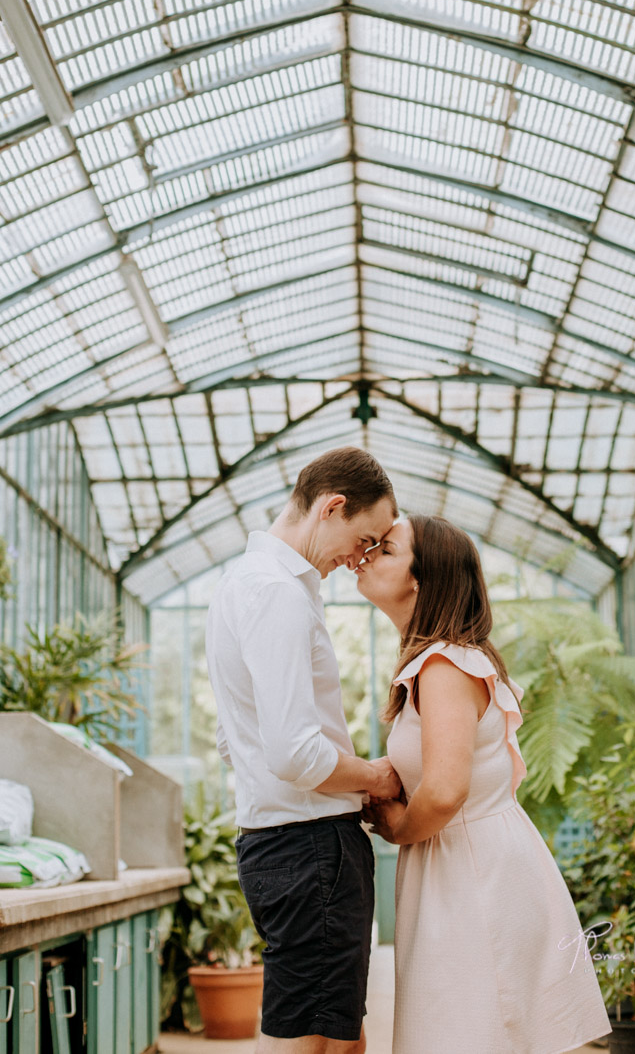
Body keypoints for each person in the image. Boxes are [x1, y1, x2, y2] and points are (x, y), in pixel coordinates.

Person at [357, 515, 613, 1054]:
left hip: (471, 875)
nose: (366, 555)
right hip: (467, 864)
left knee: (464, 1034)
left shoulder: (445, 665)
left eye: (385, 550)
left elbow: (447, 789)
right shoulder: (444, 659)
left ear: (421, 580)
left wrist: (401, 828)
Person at [206, 447, 402, 1054]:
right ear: (332, 507)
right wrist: (375, 776)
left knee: (341, 1039)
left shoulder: (245, 584)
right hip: (310, 846)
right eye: (364, 538)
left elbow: (233, 740)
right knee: (306, 1041)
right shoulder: (278, 594)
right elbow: (294, 753)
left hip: (289, 843)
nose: (360, 558)